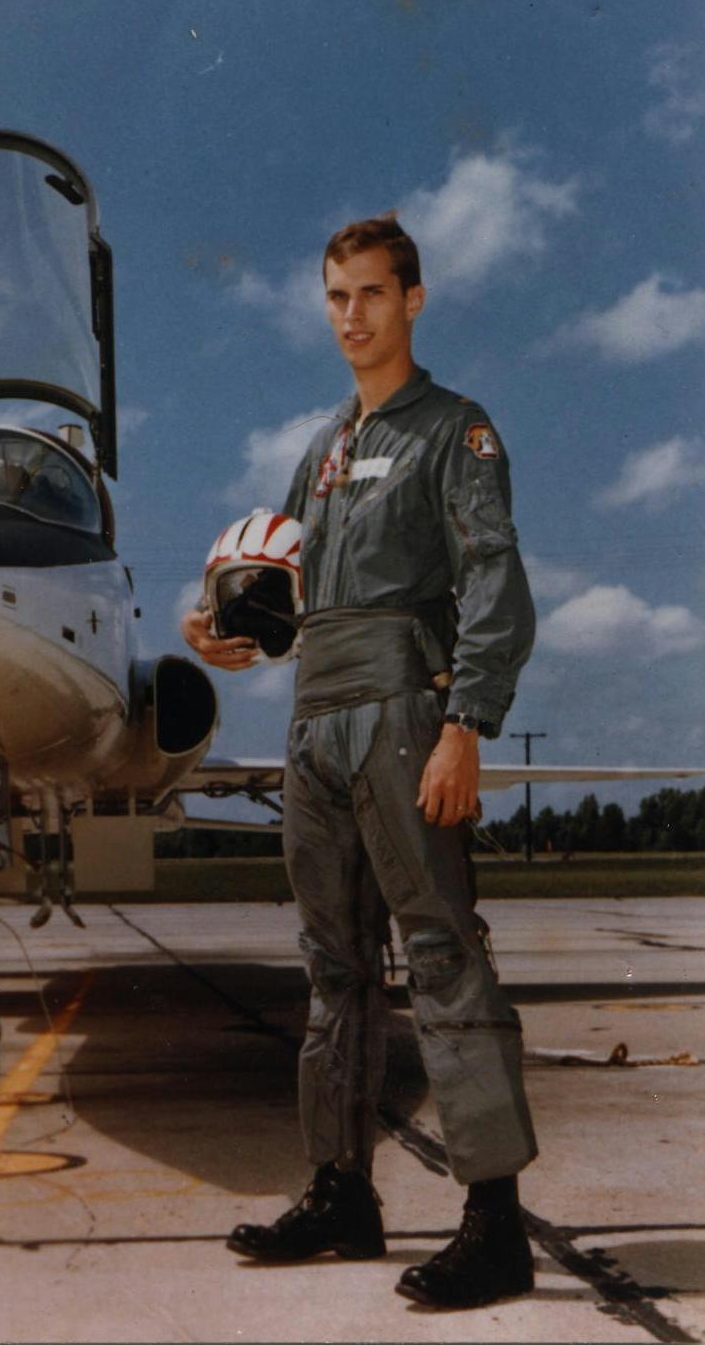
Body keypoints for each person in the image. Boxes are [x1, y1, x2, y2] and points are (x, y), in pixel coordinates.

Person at [181, 215, 538, 1310]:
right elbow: (284, 605)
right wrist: (221, 635)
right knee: (333, 969)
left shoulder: (453, 430)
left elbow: (494, 585)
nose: (352, 317)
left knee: (439, 952)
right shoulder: (323, 450)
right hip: (314, 720)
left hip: (400, 709)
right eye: (337, 297)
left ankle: (494, 1223)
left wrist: (466, 723)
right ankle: (341, 1192)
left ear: (413, 300)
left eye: (373, 295)